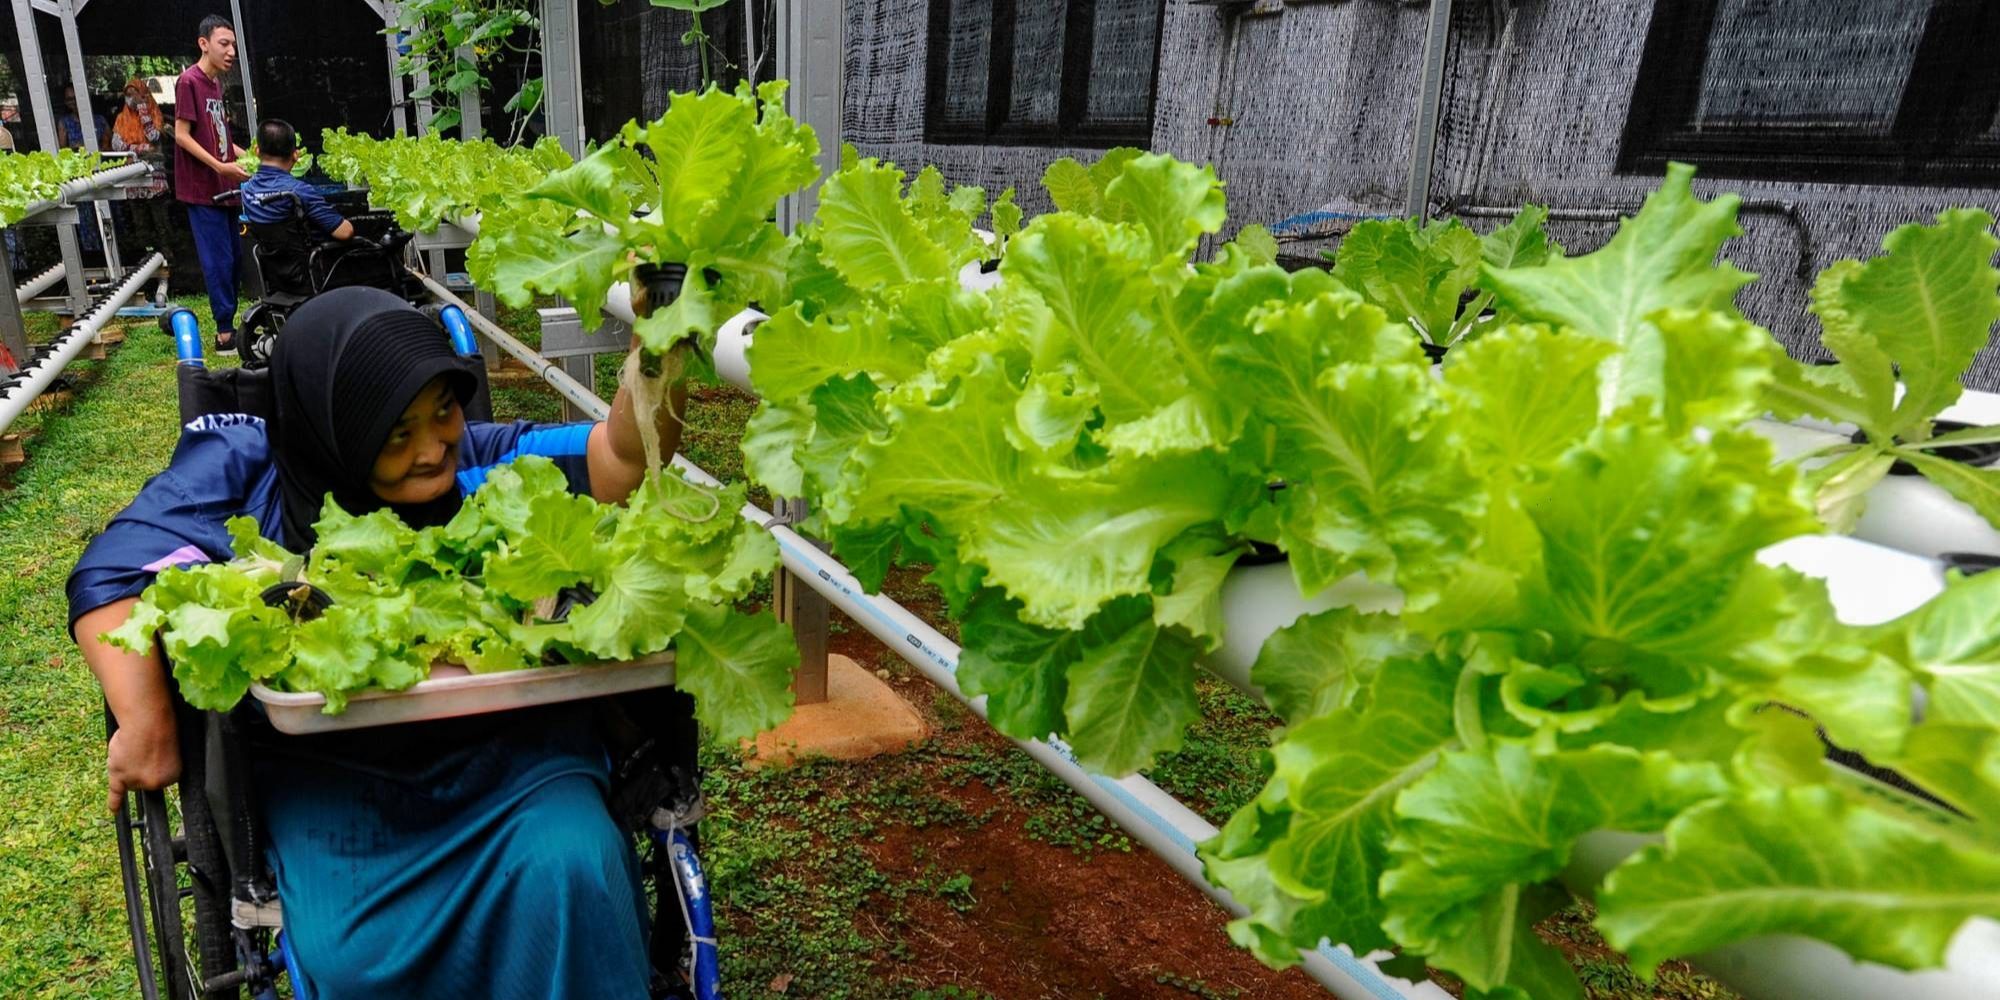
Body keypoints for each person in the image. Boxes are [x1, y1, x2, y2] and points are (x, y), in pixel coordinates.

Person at [68, 287, 692, 998]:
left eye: (445, 413)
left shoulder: (482, 467)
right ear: (334, 429)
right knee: (351, 959)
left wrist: (663, 344)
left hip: (514, 762)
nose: (433, 450)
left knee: (575, 864)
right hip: (336, 779)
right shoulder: (246, 473)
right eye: (396, 433)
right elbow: (111, 574)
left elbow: (621, 455)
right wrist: (145, 721)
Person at [174, 15, 249, 354]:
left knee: (234, 257)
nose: (231, 51)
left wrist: (252, 158)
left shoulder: (216, 86)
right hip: (203, 190)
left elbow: (220, 138)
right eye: (224, 43)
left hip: (226, 185)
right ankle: (224, 333)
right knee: (217, 260)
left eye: (233, 44)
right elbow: (181, 135)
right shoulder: (188, 81)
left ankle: (229, 323)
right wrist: (220, 166)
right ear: (204, 44)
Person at [110, 78, 175, 272]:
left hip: (155, 178)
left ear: (143, 93)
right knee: (140, 221)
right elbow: (117, 145)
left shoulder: (154, 112)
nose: (131, 99)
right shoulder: (121, 119)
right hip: (134, 179)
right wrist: (142, 148)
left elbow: (154, 136)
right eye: (128, 96)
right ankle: (148, 256)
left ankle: (167, 254)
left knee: (160, 218)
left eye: (134, 94)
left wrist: (144, 113)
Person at [57, 84, 110, 256]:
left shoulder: (99, 120)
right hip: (79, 179)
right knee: (86, 219)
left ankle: (112, 252)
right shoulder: (65, 123)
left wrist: (93, 150)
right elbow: (62, 152)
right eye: (68, 99)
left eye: (75, 98)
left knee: (107, 216)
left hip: (101, 176)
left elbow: (108, 147)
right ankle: (94, 256)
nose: (72, 102)